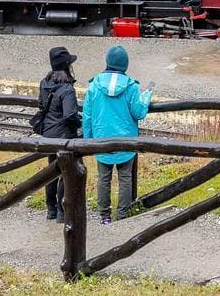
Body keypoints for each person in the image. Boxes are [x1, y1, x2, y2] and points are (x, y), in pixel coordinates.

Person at [81, 44, 152, 224]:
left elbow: (87, 116)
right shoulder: (132, 87)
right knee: (125, 178)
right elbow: (139, 113)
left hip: (101, 139)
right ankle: (122, 215)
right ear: (125, 65)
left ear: (107, 62)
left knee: (103, 178)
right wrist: (147, 96)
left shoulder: (94, 85)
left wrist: (88, 141)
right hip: (126, 140)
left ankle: (104, 215)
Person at [33, 46, 81, 220]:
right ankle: (62, 210)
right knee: (65, 173)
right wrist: (79, 124)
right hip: (63, 137)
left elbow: (40, 105)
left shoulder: (44, 83)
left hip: (48, 135)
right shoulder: (67, 89)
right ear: (67, 65)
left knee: (51, 171)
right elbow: (69, 115)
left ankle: (51, 209)